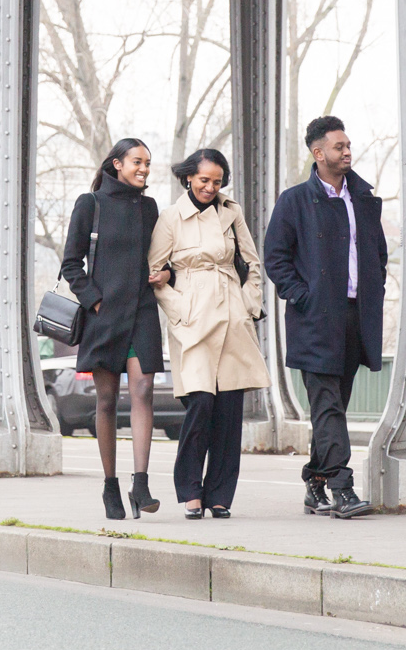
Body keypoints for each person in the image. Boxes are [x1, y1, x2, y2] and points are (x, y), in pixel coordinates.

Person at [264, 117, 385, 519]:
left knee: (334, 407)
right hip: (314, 320)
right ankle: (342, 489)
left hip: (355, 316)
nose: (347, 152)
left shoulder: (363, 199)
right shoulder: (295, 200)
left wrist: (374, 291)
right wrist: (303, 297)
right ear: (319, 154)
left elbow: (378, 256)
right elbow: (275, 258)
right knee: (328, 405)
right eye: (339, 147)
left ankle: (315, 481)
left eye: (349, 145)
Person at [150, 148, 266, 519]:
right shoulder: (170, 217)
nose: (210, 187)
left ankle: (220, 496)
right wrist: (180, 311)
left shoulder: (231, 212)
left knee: (230, 411)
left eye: (217, 181)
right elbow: (154, 274)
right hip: (194, 318)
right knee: (200, 404)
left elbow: (251, 262)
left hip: (232, 314)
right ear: (188, 178)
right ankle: (189, 490)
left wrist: (250, 305)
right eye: (204, 180)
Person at [60, 137, 166, 521]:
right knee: (106, 402)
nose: (144, 169)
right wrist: (95, 300)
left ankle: (141, 483)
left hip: (142, 312)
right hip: (103, 316)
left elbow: (163, 256)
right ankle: (110, 485)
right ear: (117, 164)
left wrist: (165, 273)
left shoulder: (150, 207)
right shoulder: (91, 204)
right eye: (137, 162)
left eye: (148, 164)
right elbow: (71, 264)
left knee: (144, 389)